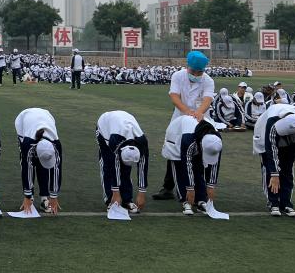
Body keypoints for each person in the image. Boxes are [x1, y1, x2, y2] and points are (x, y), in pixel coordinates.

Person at [153, 51, 215, 200]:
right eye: (193, 71)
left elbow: (207, 99)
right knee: (174, 150)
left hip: (200, 119)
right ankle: (168, 188)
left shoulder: (208, 80)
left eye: (199, 72)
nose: (196, 74)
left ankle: (201, 188)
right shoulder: (178, 76)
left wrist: (198, 113)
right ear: (188, 66)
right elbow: (174, 96)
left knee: (200, 152)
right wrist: (187, 111)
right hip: (180, 119)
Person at [252, 102, 295, 217]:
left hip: (292, 140)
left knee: (287, 168)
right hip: (263, 135)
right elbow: (271, 150)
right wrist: (274, 174)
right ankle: (273, 202)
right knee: (270, 169)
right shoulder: (271, 122)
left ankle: (286, 202)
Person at [161, 115, 224, 216]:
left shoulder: (216, 141)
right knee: (179, 167)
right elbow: (186, 164)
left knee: (198, 168)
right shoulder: (189, 140)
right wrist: (190, 189)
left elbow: (214, 165)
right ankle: (185, 201)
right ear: (201, 145)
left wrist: (211, 186)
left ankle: (201, 200)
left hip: (195, 138)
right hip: (176, 136)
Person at [96, 110, 149, 214]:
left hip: (122, 122)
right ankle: (110, 199)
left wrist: (142, 192)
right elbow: (114, 165)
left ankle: (126, 200)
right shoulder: (114, 140)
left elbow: (143, 166)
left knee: (125, 169)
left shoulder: (142, 142)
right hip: (104, 127)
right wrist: (115, 192)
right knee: (108, 164)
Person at [14, 107, 62, 214]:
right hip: (23, 121)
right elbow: (27, 168)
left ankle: (44, 198)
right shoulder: (27, 143)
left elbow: (56, 169)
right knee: (30, 162)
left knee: (43, 165)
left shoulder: (56, 144)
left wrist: (54, 196)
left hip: (47, 116)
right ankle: (31, 198)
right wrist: (27, 195)